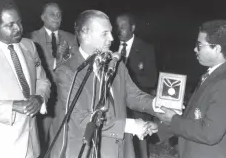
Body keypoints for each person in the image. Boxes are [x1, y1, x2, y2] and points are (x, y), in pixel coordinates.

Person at [49, 10, 158, 158]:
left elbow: (134, 96)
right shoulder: (67, 72)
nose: (112, 38)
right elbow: (83, 118)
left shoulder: (116, 64)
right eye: (104, 33)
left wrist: (158, 104)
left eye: (111, 32)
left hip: (122, 149)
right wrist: (131, 125)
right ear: (85, 35)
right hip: (89, 150)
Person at [154, 20, 226, 158]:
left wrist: (173, 120)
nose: (195, 49)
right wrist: (160, 128)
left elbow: (210, 133)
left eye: (199, 45)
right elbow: (198, 116)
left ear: (217, 49)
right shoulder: (216, 75)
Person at [0, 0, 51, 158]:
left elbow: (42, 80)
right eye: (9, 25)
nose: (18, 28)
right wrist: (12, 106)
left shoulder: (30, 46)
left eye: (19, 22)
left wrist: (40, 98)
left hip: (32, 146)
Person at [28, 3, 78, 146]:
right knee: (41, 140)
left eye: (59, 14)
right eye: (52, 14)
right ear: (43, 17)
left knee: (61, 140)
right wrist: (58, 59)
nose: (57, 17)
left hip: (64, 98)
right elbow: (34, 70)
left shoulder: (71, 38)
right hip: (43, 98)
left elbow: (76, 66)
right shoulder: (31, 38)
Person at [112, 13, 158, 158]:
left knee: (139, 146)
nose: (119, 30)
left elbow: (152, 79)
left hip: (137, 107)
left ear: (132, 28)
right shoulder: (111, 47)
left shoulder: (146, 48)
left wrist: (126, 80)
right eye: (117, 27)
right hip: (114, 105)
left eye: (123, 27)